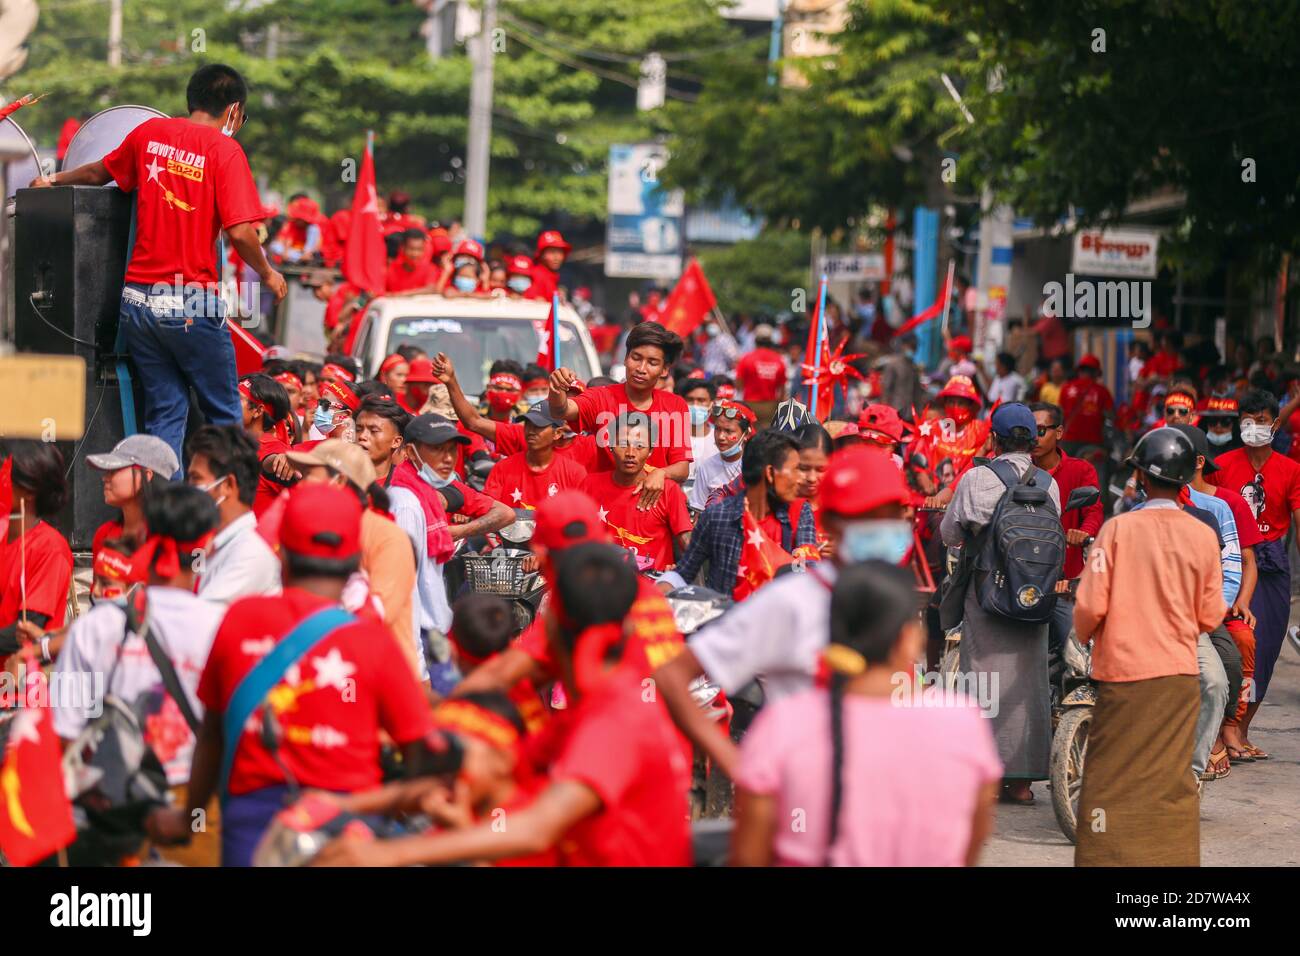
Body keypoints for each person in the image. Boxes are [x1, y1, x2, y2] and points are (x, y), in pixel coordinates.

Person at [313, 543, 691, 867]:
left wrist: (389, 854)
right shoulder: (591, 706)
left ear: (552, 627)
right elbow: (489, 764)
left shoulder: (611, 720)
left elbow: (536, 828)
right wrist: (345, 803)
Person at [148, 483, 435, 866]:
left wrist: (188, 818)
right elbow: (420, 750)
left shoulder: (241, 619)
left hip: (251, 834)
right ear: (354, 560)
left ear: (281, 554)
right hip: (347, 836)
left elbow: (212, 734)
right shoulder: (373, 642)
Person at [32, 64, 287, 464]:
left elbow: (100, 172)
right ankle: (224, 516)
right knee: (224, 418)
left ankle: (165, 517)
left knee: (164, 417)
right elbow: (240, 233)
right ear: (234, 110)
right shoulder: (225, 150)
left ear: (193, 98)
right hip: (190, 304)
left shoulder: (150, 134)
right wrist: (269, 273)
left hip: (137, 302)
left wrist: (52, 181)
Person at [654, 445, 911, 779]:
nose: (886, 528)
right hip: (797, 792)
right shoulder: (789, 601)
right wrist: (737, 765)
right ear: (832, 523)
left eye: (895, 515)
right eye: (868, 517)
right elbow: (672, 676)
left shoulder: (896, 600)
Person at [731, 561, 1001, 867]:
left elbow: (749, 853)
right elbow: (973, 839)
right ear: (909, 638)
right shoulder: (963, 721)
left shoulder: (783, 723)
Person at [1073, 428, 1225, 866]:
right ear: (1184, 481)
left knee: (1109, 777)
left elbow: (1090, 604)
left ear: (1139, 476)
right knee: (1170, 780)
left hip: (1121, 675)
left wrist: (1083, 636)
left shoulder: (1117, 529)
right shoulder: (1201, 535)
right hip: (1178, 676)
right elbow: (1211, 614)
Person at [52, 484, 223, 790]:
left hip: (112, 802)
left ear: (144, 538)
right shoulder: (222, 627)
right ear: (208, 546)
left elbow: (66, 731)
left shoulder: (93, 627)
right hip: (194, 800)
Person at [939, 403, 1060, 805]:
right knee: (1030, 683)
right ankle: (1023, 784)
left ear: (993, 439)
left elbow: (949, 532)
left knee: (984, 680)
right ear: (1033, 440)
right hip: (1034, 596)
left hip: (986, 594)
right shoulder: (1049, 483)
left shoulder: (976, 478)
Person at [1206, 389, 1300, 758]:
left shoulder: (1291, 469)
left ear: (1275, 423)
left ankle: (1240, 729)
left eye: (1261, 420)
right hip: (1228, 559)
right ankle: (1225, 729)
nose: (1253, 427)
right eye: (1247, 420)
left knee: (1267, 650)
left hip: (1272, 562)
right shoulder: (1223, 464)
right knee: (1235, 642)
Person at [285, 440, 422, 677]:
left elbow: (375, 616)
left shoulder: (386, 536)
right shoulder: (315, 529)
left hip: (382, 681)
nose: (301, 483)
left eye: (309, 475)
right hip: (332, 672)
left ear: (338, 482)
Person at [1169, 424, 1247, 781]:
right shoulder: (1135, 512)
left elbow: (1230, 568)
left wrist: (1214, 609)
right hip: (1154, 615)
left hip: (1201, 612)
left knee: (1226, 665)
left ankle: (1213, 738)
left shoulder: (1213, 510)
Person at [548, 322, 693, 506]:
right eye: (636, 358)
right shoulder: (601, 396)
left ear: (664, 369)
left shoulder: (675, 405)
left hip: (650, 509)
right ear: (625, 358)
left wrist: (661, 473)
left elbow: (682, 468)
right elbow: (561, 410)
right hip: (603, 508)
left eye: (652, 362)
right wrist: (556, 388)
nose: (641, 368)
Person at [667, 429, 814, 594]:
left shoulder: (800, 512)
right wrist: (664, 585)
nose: (801, 479)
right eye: (795, 470)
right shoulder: (717, 516)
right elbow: (685, 571)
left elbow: (806, 570)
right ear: (770, 473)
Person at [1029, 402, 1103, 688]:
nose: (1034, 438)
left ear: (1058, 432)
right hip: (1024, 579)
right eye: (1028, 432)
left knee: (1077, 651)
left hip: (1066, 583)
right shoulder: (1017, 470)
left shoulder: (1081, 470)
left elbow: (1094, 511)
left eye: (1041, 431)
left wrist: (1083, 533)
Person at [432, 352, 601, 473]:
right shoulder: (530, 434)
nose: (566, 411)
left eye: (573, 405)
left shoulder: (593, 446)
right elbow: (473, 421)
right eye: (561, 401)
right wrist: (451, 382)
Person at [580, 414, 692, 571]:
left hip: (653, 588)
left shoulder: (668, 490)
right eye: (623, 444)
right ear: (610, 446)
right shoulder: (589, 485)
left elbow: (688, 543)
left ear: (651, 450)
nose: (630, 453)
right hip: (601, 585)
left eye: (640, 446)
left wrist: (677, 575)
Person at [185, 425, 281, 606]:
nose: (189, 487)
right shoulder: (206, 542)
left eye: (196, 478)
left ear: (228, 485)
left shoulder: (251, 553)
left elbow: (201, 618)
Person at [0, 442, 74, 669]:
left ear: (29, 491)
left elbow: (27, 628)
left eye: (3, 475)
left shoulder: (50, 548)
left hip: (19, 691)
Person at [404, 414, 514, 542]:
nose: (448, 458)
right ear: (411, 452)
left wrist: (461, 531)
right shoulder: (398, 492)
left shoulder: (448, 483)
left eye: (452, 449)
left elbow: (506, 514)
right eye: (437, 449)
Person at [484, 403, 587, 510]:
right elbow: (488, 510)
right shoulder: (502, 468)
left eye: (539, 426)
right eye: (528, 424)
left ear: (557, 433)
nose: (531, 431)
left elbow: (581, 517)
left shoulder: (575, 473)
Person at [85, 434, 179, 551]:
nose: (105, 478)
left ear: (147, 475)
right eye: (107, 471)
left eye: (114, 470)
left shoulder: (174, 540)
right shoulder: (104, 534)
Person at [689, 401, 752, 511]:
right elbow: (698, 510)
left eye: (728, 431)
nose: (721, 436)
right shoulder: (706, 467)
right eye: (717, 429)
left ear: (745, 434)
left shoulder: (754, 465)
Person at [734, 324, 788, 429]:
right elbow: (782, 389)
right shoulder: (779, 360)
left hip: (750, 405)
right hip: (770, 406)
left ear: (755, 340)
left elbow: (739, 384)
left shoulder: (746, 358)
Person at [678, 377, 718, 474]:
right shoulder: (671, 436)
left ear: (712, 404)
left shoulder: (719, 437)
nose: (695, 405)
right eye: (690, 400)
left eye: (701, 400)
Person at [385, 228, 440, 294]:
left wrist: (402, 294)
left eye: (419, 249)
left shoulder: (430, 268)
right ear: (402, 248)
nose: (415, 254)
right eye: (411, 249)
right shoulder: (391, 268)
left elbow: (431, 289)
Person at [529, 229, 570, 303]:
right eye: (551, 252)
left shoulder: (551, 275)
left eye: (560, 252)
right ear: (541, 255)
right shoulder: (536, 274)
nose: (557, 257)